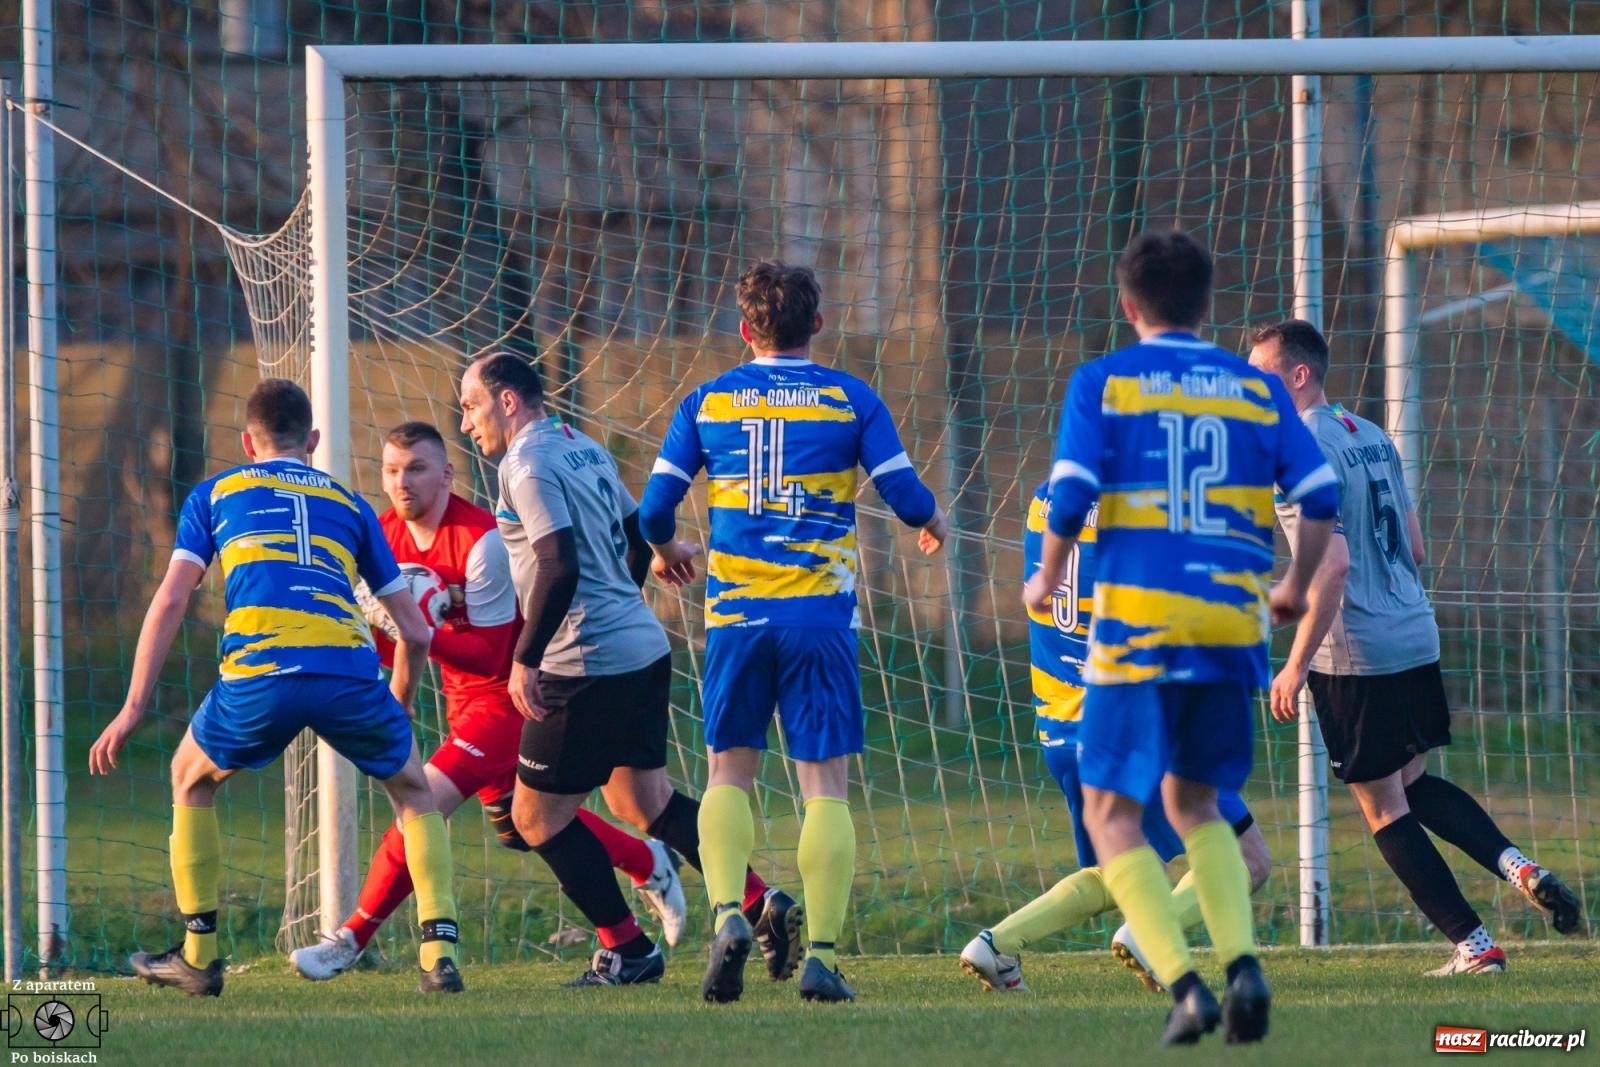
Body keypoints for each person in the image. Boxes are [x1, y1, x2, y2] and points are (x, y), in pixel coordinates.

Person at [1023, 231, 1339, 1045]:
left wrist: (1045, 576)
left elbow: (1068, 499)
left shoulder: (1103, 382)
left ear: (1129, 306)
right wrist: (1297, 586)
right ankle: (1243, 965)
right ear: (1207, 305)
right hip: (1231, 625)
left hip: (1137, 627)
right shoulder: (1256, 389)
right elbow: (1318, 493)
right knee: (1198, 804)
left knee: (1111, 812)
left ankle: (1187, 986)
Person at [638, 260, 950, 1005]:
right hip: (820, 620)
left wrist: (666, 549)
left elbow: (653, 511)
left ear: (744, 330)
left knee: (727, 775)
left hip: (739, 621)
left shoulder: (708, 402)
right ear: (817, 324)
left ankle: (725, 916)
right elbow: (904, 495)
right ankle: (824, 956)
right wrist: (933, 519)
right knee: (825, 787)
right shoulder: (850, 397)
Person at [88, 378, 464, 995]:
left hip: (262, 673)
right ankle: (438, 957)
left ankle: (200, 956)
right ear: (312, 440)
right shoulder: (352, 505)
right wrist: (395, 702)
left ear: (247, 442)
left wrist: (133, 707)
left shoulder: (215, 494)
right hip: (348, 672)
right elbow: (417, 632)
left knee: (190, 777)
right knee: (415, 793)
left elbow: (174, 596)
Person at [288, 421, 686, 982]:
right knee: (527, 825)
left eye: (418, 469)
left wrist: (422, 625)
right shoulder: (380, 537)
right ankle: (643, 868)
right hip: (463, 705)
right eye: (392, 470)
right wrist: (379, 627)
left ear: (447, 475)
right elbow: (382, 638)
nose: (403, 483)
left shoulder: (483, 537)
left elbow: (489, 651)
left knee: (418, 804)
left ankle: (352, 938)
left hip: (513, 698)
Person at [1249, 318, 1582, 976]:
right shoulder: (1368, 434)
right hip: (1412, 630)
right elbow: (1417, 547)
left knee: (1380, 805)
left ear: (1297, 375)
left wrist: (1292, 665)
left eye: (1260, 373)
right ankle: (1520, 866)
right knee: (1411, 779)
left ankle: (1474, 943)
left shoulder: (1295, 450)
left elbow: (1335, 566)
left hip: (1357, 649)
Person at [459, 353, 798, 988]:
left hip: (581, 663)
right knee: (642, 800)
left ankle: (628, 949)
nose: (467, 422)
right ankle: (761, 902)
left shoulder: (524, 465)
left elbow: (558, 566)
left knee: (532, 819)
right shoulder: (579, 444)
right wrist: (625, 597)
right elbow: (636, 531)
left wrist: (525, 659)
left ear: (508, 401)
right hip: (641, 648)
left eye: (472, 406)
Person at [961, 484, 1271, 995]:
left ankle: (997, 945)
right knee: (1248, 859)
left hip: (1062, 730)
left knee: (1121, 867)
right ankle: (1152, 935)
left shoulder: (1046, 499)